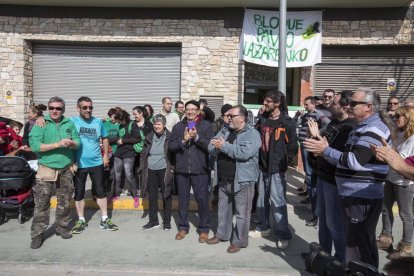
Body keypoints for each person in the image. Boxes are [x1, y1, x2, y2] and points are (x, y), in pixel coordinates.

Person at [303, 87, 391, 268]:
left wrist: (325, 150)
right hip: (353, 195)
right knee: (358, 246)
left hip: (362, 197)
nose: (348, 106)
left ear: (368, 107)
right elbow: (345, 157)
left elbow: (354, 161)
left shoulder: (373, 129)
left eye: (353, 103)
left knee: (358, 248)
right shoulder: (361, 128)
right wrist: (324, 148)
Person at [307, 90, 355, 262]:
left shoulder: (350, 128)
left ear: (345, 107)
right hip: (323, 176)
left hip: (335, 181)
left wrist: (320, 144)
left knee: (335, 224)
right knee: (324, 220)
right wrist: (316, 138)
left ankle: (341, 260)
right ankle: (322, 254)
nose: (329, 104)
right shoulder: (333, 123)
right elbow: (322, 146)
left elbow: (341, 157)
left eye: (334, 103)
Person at [207, 105, 261, 253]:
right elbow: (210, 147)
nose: (228, 118)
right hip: (223, 178)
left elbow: (243, 153)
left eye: (232, 116)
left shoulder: (252, 134)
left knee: (242, 214)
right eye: (228, 115)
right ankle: (222, 234)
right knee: (223, 210)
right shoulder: (224, 130)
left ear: (242, 118)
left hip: (243, 181)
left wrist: (223, 146)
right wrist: (219, 146)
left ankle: (239, 241)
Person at [29, 96, 80, 249]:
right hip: (46, 169)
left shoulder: (69, 123)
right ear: (48, 108)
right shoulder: (41, 123)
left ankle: (61, 227)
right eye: (51, 108)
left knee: (64, 202)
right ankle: (37, 234)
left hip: (66, 169)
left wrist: (72, 144)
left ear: (63, 110)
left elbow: (78, 141)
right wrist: (58, 144)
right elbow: (35, 146)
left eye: (58, 108)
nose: (54, 111)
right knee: (41, 203)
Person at [249, 91, 298, 250]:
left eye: (268, 101)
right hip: (262, 167)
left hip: (277, 169)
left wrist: (283, 163)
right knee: (261, 200)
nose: (265, 103)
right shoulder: (262, 119)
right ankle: (264, 227)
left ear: (277, 103)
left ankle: (283, 235)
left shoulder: (287, 123)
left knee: (278, 203)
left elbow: (292, 147)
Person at [71, 96, 118, 234]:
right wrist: (40, 118)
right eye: (84, 107)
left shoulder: (98, 122)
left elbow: (105, 138)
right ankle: (81, 220)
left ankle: (104, 219)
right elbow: (55, 120)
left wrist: (105, 156)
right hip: (78, 164)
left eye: (90, 107)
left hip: (97, 162)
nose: (88, 110)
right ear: (78, 108)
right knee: (79, 193)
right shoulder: (71, 121)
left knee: (101, 192)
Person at [169, 100, 214, 242]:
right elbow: (171, 146)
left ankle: (204, 229)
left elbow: (210, 146)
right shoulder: (177, 127)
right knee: (183, 200)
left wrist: (197, 138)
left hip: (200, 170)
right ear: (184, 111)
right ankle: (183, 227)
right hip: (182, 170)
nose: (190, 112)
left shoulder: (206, 126)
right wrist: (183, 140)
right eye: (188, 109)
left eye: (193, 109)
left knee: (202, 200)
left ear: (198, 111)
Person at [376, 106, 414, 259]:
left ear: (409, 118)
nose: (396, 118)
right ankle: (386, 239)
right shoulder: (399, 134)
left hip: (404, 182)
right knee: (385, 209)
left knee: (406, 216)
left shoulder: (412, 138)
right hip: (391, 177)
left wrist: (387, 150)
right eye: (396, 115)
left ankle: (406, 248)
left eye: (400, 116)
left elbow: (400, 159)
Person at [139, 114, 174, 231]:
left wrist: (173, 168)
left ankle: (167, 222)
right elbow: (144, 153)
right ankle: (153, 221)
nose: (156, 126)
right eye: (155, 124)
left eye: (159, 124)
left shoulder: (170, 136)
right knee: (152, 196)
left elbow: (175, 154)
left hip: (164, 169)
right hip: (150, 170)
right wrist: (142, 167)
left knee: (166, 195)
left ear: (164, 125)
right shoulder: (149, 136)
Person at [295, 96, 330, 201]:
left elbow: (327, 123)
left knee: (309, 170)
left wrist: (317, 133)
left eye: (307, 104)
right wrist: (297, 116)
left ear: (313, 104)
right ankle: (309, 192)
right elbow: (297, 124)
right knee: (307, 170)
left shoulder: (318, 114)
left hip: (309, 145)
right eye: (304, 104)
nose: (305, 106)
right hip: (303, 144)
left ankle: (311, 196)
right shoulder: (306, 114)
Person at [111, 109, 141, 208]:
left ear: (123, 117)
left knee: (129, 175)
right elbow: (118, 137)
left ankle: (135, 195)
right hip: (119, 153)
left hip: (129, 153)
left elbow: (137, 138)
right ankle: (115, 193)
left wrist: (123, 140)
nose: (119, 122)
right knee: (117, 174)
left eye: (119, 120)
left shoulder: (133, 124)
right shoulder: (120, 125)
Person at [103, 107, 120, 196]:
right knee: (107, 171)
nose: (112, 118)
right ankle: (106, 188)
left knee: (115, 172)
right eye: (110, 116)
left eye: (114, 116)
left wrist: (110, 139)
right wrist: (115, 139)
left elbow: (122, 137)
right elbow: (104, 138)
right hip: (108, 152)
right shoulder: (105, 124)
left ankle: (114, 189)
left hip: (118, 151)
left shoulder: (120, 124)